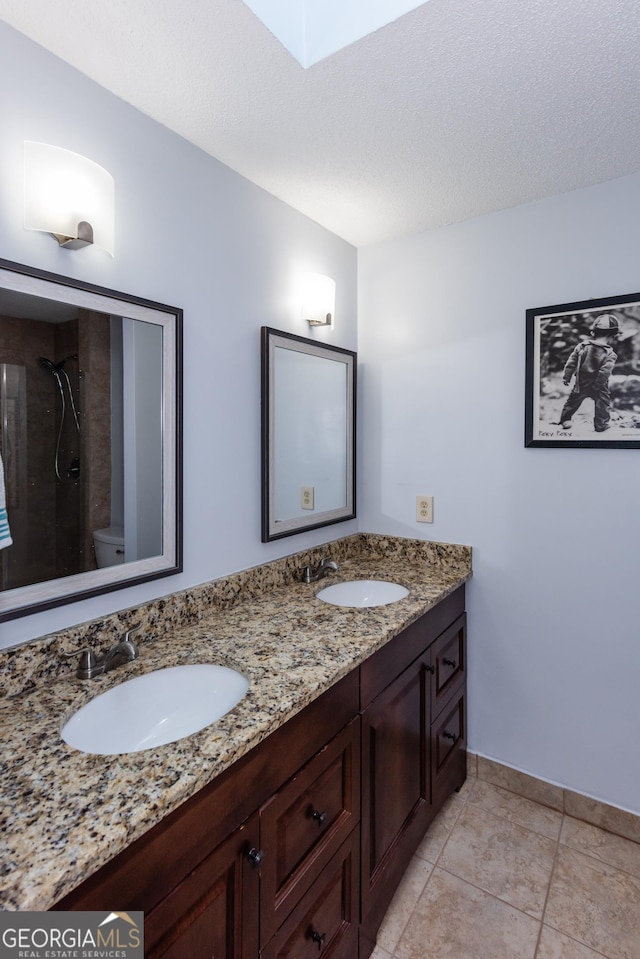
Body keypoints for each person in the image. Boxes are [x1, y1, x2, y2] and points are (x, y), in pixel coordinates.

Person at [558, 314, 621, 432]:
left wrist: (567, 377)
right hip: (599, 384)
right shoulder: (610, 354)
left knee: (573, 400)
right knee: (602, 403)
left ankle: (565, 419)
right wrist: (597, 386)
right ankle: (601, 425)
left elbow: (571, 362)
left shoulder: (582, 346)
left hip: (581, 381)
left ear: (593, 333)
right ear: (612, 336)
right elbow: (604, 372)